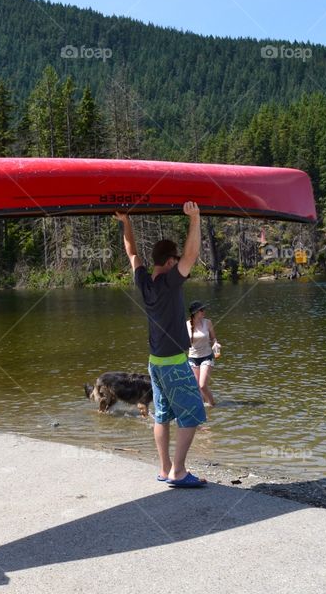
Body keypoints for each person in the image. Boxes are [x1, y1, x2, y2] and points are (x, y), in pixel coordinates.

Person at [115, 203, 207, 488]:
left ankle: (165, 468)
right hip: (173, 363)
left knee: (163, 416)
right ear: (169, 261)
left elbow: (131, 253)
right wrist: (195, 218)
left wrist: (125, 221)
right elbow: (192, 255)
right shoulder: (169, 283)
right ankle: (178, 472)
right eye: (176, 260)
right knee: (191, 415)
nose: (181, 263)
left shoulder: (144, 281)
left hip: (154, 363)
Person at [187, 301, 219, 407]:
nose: (204, 311)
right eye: (201, 310)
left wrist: (215, 344)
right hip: (192, 358)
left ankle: (212, 406)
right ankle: (203, 408)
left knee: (202, 385)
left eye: (203, 309)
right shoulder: (186, 325)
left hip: (207, 356)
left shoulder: (207, 322)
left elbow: (213, 338)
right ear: (195, 312)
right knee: (196, 387)